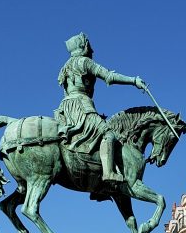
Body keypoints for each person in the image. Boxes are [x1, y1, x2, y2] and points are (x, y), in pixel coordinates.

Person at [55, 32, 148, 182]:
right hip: (82, 106)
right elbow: (109, 77)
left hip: (65, 108)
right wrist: (133, 80)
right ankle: (108, 172)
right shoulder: (85, 62)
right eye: (88, 45)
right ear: (83, 46)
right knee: (108, 134)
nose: (90, 49)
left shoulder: (65, 67)